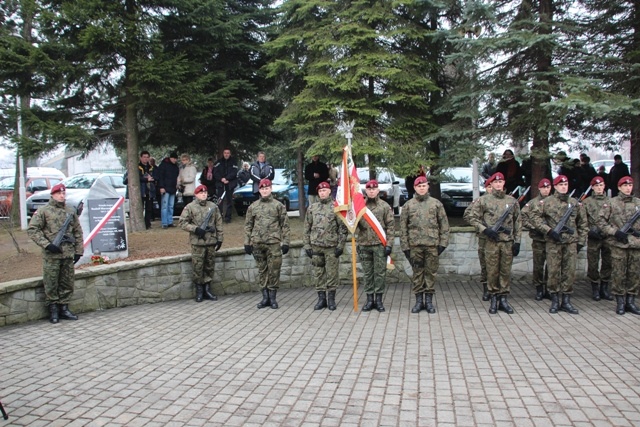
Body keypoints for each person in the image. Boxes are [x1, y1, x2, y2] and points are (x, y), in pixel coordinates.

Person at [530, 175, 588, 315]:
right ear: (555, 186)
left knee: (569, 272)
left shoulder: (575, 203)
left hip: (570, 243)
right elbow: (534, 218)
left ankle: (566, 301)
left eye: (566, 184)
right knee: (553, 271)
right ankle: (555, 300)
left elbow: (583, 224)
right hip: (553, 243)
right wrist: (548, 231)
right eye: (560, 184)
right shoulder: (546, 202)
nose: (564, 187)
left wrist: (580, 242)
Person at [27, 183, 84, 323]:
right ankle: (53, 310)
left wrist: (78, 251)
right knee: (51, 282)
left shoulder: (70, 211)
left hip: (68, 253)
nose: (62, 196)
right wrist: (47, 245)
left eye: (64, 193)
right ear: (52, 195)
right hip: (52, 254)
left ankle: (64, 308)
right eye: (59, 193)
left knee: (67, 282)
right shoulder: (44, 211)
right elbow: (33, 230)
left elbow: (77, 232)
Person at [466, 172, 521, 314]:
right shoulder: (483, 201)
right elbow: (472, 217)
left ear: (504, 184)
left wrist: (517, 241)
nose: (498, 184)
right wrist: (485, 230)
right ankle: (494, 298)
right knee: (492, 271)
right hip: (491, 242)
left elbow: (518, 222)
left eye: (500, 182)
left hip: (507, 242)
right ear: (491, 184)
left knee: (505, 271)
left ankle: (503, 299)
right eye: (495, 182)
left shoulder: (512, 201)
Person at [400, 175, 450, 313]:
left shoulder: (436, 204)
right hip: (415, 245)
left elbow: (444, 225)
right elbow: (403, 228)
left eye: (424, 186)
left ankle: (428, 302)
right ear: (415, 188)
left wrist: (443, 244)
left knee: (430, 273)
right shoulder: (408, 205)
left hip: (432, 245)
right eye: (419, 186)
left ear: (427, 186)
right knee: (417, 274)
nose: (422, 188)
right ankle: (418, 301)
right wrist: (405, 247)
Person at [244, 178, 291, 309]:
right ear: (259, 190)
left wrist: (286, 242)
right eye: (262, 189)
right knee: (262, 270)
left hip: (273, 243)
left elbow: (285, 226)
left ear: (271, 189)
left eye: (267, 188)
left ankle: (273, 297)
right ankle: (265, 297)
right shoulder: (253, 207)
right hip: (258, 243)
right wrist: (247, 242)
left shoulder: (278, 206)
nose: (264, 191)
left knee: (274, 270)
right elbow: (248, 225)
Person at [597, 176, 640, 315]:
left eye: (630, 185)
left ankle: (631, 302)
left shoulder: (638, 203)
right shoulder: (611, 203)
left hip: (635, 245)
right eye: (625, 186)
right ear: (619, 187)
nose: (628, 188)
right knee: (618, 274)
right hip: (618, 245)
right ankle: (620, 302)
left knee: (634, 274)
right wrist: (615, 232)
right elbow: (601, 222)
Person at [303, 181, 348, 311]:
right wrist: (307, 246)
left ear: (329, 191)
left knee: (332, 273)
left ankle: (331, 300)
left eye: (325, 190)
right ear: (318, 193)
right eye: (320, 191)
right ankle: (321, 299)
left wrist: (340, 245)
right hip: (316, 246)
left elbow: (342, 229)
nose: (322, 193)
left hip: (331, 247)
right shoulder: (312, 208)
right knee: (318, 273)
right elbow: (307, 228)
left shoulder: (336, 207)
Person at [179, 184, 223, 302]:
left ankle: (207, 290)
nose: (204, 194)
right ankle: (199, 290)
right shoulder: (190, 207)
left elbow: (218, 223)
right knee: (198, 267)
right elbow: (182, 223)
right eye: (201, 193)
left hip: (211, 241)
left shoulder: (213, 207)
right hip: (197, 242)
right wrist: (195, 229)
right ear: (196, 194)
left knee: (209, 266)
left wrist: (220, 238)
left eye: (205, 192)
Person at [357, 179, 395, 312]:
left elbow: (390, 227)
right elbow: (353, 224)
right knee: (367, 274)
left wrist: (389, 244)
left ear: (378, 190)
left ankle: (378, 301)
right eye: (369, 189)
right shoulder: (360, 206)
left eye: (374, 189)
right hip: (364, 244)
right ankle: (369, 300)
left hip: (379, 245)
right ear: (366, 191)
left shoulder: (384, 206)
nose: (371, 191)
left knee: (379, 273)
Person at [582, 176, 613, 301]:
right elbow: (583, 220)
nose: (599, 188)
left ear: (604, 186)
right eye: (596, 186)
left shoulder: (611, 202)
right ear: (593, 187)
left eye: (601, 185)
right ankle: (595, 288)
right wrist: (589, 231)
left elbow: (615, 219)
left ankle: (604, 288)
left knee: (607, 262)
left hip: (607, 236)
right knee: (593, 263)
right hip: (593, 237)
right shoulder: (586, 202)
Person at [520, 178, 552, 300]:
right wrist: (533, 227)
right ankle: (539, 288)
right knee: (538, 265)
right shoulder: (532, 203)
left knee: (551, 265)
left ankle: (549, 288)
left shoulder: (555, 202)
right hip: (538, 239)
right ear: (539, 188)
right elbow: (523, 217)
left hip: (551, 239)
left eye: (548, 187)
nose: (546, 190)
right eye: (543, 187)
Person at [213, 148, 239, 223]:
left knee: (229, 201)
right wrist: (221, 179)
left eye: (228, 153)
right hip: (220, 184)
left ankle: (228, 217)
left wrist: (227, 179)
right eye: (225, 153)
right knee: (219, 201)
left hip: (230, 184)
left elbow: (234, 172)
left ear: (230, 154)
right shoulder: (218, 162)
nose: (226, 154)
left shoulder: (234, 162)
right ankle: (219, 217)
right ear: (223, 154)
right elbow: (215, 172)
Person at [156, 151, 180, 228]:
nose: (175, 160)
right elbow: (161, 177)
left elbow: (176, 177)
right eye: (174, 158)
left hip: (172, 188)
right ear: (170, 158)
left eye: (176, 159)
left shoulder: (175, 166)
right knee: (165, 206)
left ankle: (170, 221)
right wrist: (161, 187)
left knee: (171, 206)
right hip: (165, 188)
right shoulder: (163, 165)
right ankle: (164, 222)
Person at [134, 150, 156, 229]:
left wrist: (152, 178)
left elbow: (156, 176)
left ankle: (148, 224)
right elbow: (136, 178)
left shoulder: (151, 167)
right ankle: (139, 224)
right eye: (144, 157)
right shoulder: (137, 167)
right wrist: (146, 179)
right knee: (140, 208)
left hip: (149, 191)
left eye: (147, 157)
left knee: (149, 208)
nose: (145, 159)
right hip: (141, 190)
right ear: (140, 158)